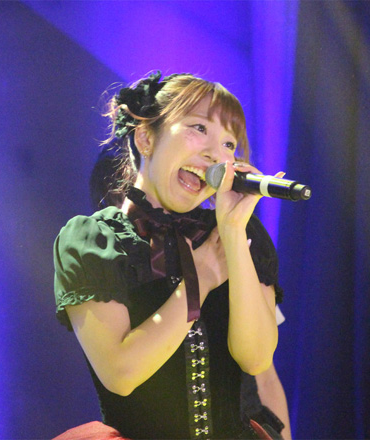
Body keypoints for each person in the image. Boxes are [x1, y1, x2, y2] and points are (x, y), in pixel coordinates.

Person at [54, 71, 291, 439]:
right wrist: (203, 278)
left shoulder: (237, 235)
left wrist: (231, 231)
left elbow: (256, 358)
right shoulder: (94, 240)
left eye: (229, 144)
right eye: (199, 128)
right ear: (146, 138)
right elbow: (121, 374)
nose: (216, 153)